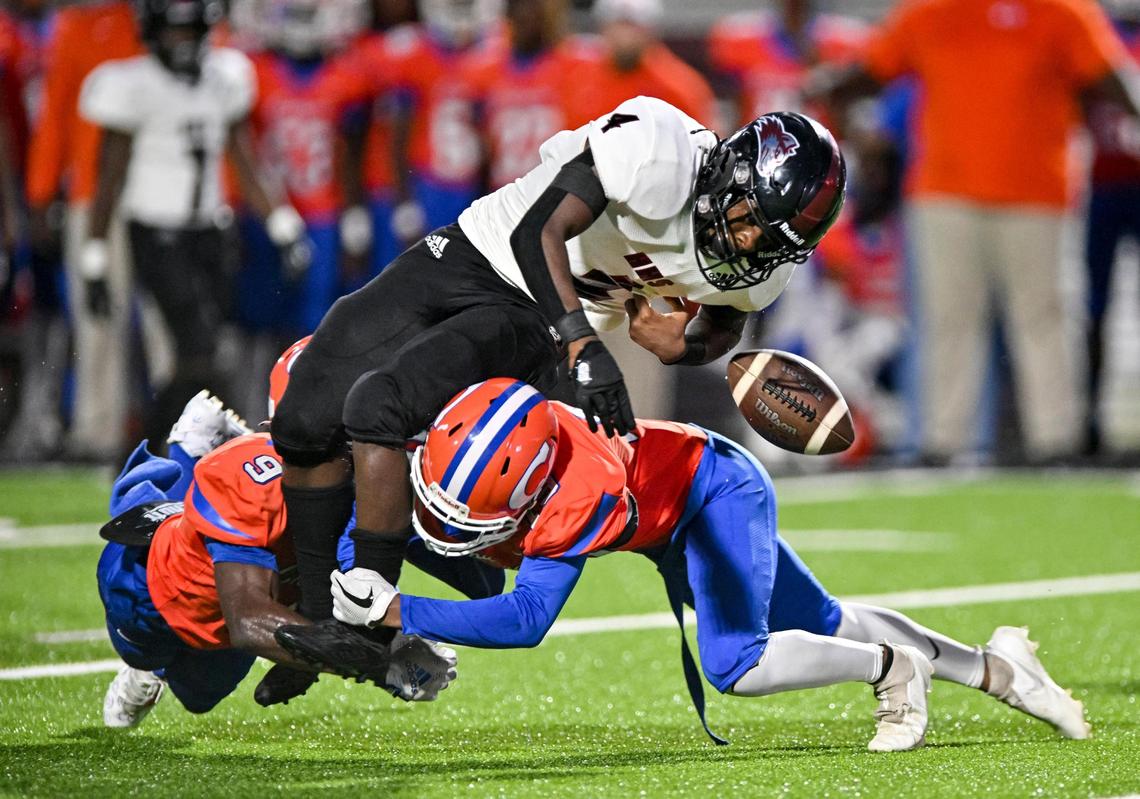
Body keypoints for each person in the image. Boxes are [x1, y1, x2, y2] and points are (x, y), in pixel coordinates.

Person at [268, 98, 847, 645]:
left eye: (767, 243)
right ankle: (320, 615)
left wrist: (682, 350)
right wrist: (584, 343)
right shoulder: (657, 149)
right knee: (302, 418)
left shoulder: (758, 263)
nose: (747, 243)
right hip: (482, 251)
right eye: (750, 219)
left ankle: (365, 616)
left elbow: (726, 323)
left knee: (384, 407)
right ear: (729, 173)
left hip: (537, 322)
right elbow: (535, 231)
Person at [285, 377, 1090, 753]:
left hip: (712, 495)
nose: (454, 522)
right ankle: (996, 668)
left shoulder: (574, 493)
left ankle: (891, 669)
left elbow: (526, 620)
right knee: (822, 621)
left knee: (736, 660)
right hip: (682, 497)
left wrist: (399, 612)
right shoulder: (468, 437)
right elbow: (411, 516)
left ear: (528, 491)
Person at [814, 0, 1140, 464]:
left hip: (1038, 193)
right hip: (946, 192)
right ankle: (943, 444)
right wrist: (830, 91)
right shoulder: (930, 11)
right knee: (949, 321)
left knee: (1044, 319)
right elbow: (870, 71)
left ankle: (1055, 443)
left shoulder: (1063, 11)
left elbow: (1111, 79)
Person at [96, 389, 459, 728]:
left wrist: (397, 634)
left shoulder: (370, 488)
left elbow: (352, 597)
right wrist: (382, 664)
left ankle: (192, 459)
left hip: (247, 599)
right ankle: (187, 453)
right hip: (153, 591)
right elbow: (249, 621)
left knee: (198, 697)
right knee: (143, 651)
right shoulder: (253, 481)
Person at [79, 0, 310, 451]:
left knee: (209, 348)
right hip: (155, 232)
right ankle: (154, 447)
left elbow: (245, 157)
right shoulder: (132, 84)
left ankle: (181, 451)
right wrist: (94, 255)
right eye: (173, 32)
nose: (183, 43)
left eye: (190, 32)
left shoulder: (224, 77)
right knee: (200, 349)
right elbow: (109, 176)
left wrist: (283, 226)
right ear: (153, 33)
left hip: (210, 231)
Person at [25, 0, 143, 462]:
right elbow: (56, 113)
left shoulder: (167, 20)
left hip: (164, 193)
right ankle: (98, 431)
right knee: (97, 318)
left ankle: (183, 428)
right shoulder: (76, 28)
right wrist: (41, 193)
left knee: (171, 319)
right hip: (93, 196)